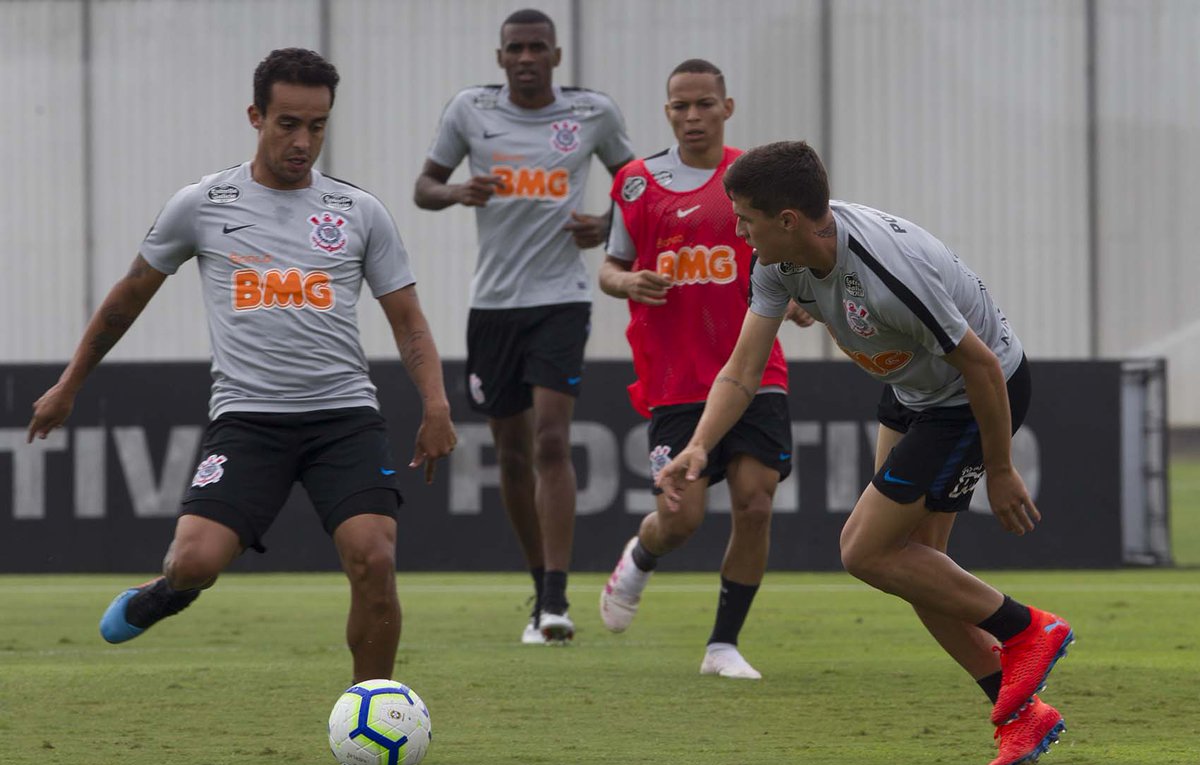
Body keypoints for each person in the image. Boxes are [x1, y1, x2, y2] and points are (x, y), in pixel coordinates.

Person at [26, 48, 457, 685]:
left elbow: (409, 320)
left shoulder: (359, 212)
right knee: (194, 563)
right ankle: (168, 590)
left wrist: (436, 403)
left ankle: (372, 705)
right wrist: (69, 384)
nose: (303, 141)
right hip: (249, 421)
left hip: (344, 419)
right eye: (288, 123)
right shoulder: (202, 203)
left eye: (317, 125)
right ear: (255, 117)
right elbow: (127, 297)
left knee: (374, 558)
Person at [656, 141, 1074, 765]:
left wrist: (999, 469)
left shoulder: (887, 273)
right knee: (917, 568)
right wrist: (697, 447)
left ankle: (1027, 629)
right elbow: (742, 370)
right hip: (911, 390)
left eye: (745, 218)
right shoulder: (776, 262)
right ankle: (1022, 715)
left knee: (865, 550)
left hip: (972, 394)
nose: (738, 231)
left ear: (788, 220)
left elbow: (984, 367)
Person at [413, 8, 634, 643]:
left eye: (539, 47)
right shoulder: (470, 110)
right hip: (493, 306)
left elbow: (637, 187)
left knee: (552, 442)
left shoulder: (591, 113)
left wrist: (607, 226)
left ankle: (558, 599)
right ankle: (540, 590)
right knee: (511, 452)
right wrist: (458, 192)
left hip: (562, 299)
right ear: (501, 56)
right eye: (516, 48)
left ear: (556, 56)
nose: (527, 57)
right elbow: (424, 186)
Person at [597, 60, 812, 679]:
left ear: (727, 108)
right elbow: (609, 268)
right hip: (676, 380)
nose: (692, 116)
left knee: (756, 502)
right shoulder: (636, 183)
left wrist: (801, 299)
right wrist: (628, 282)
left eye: (704, 104)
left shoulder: (753, 181)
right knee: (680, 519)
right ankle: (642, 554)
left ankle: (722, 645)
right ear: (667, 111)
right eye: (680, 106)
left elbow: (794, 257)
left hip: (755, 367)